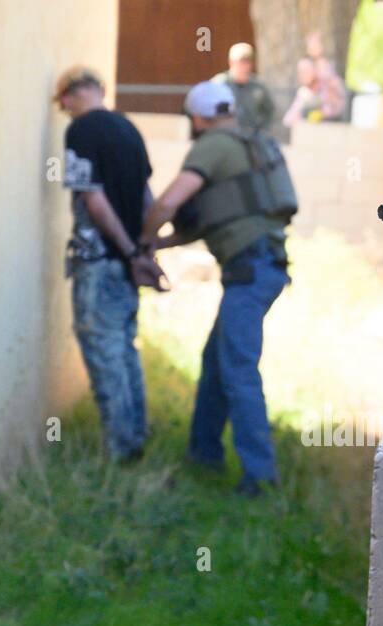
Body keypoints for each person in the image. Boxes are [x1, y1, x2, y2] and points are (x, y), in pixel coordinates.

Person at [138, 81, 295, 496]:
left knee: (238, 369)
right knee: (217, 361)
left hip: (250, 270)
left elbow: (170, 203)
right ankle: (203, 455)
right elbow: (219, 217)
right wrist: (162, 242)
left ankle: (260, 477)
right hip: (264, 265)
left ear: (198, 117)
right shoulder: (249, 140)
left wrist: (141, 241)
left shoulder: (213, 144)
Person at [55, 66, 163, 463]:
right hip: (127, 265)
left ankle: (122, 450)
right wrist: (143, 250)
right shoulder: (128, 128)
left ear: (67, 98)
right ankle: (137, 432)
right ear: (101, 89)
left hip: (99, 263)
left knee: (103, 351)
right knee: (124, 347)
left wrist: (127, 250)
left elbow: (93, 199)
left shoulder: (79, 131)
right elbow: (146, 195)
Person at [213, 41, 275, 134]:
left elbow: (269, 110)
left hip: (251, 135)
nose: (244, 66)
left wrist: (262, 129)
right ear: (231, 62)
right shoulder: (220, 84)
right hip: (225, 135)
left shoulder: (258, 86)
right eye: (240, 62)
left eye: (247, 62)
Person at [283, 56, 347, 126]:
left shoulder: (328, 86)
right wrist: (304, 114)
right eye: (300, 72)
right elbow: (288, 120)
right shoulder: (304, 93)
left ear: (315, 71)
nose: (302, 76)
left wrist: (322, 113)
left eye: (305, 71)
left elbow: (339, 107)